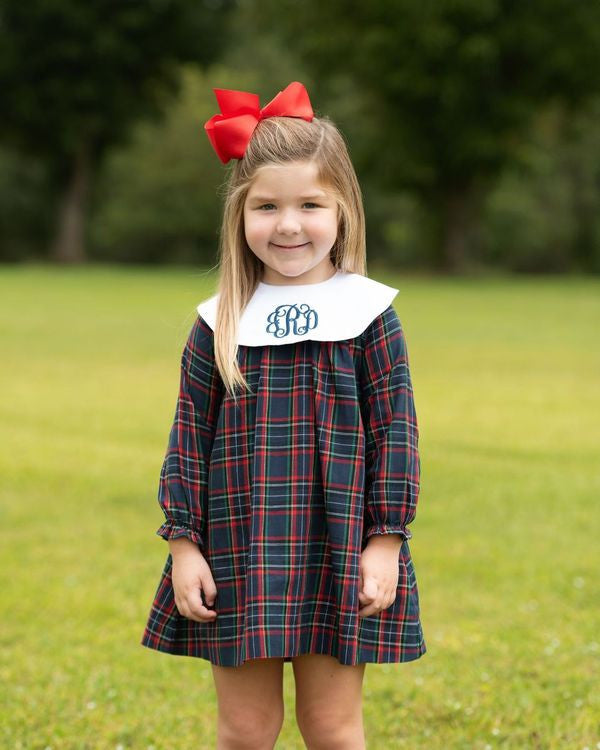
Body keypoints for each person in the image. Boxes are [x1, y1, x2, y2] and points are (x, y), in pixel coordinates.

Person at [141, 81, 426, 749]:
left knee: (330, 727)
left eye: (309, 204)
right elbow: (188, 436)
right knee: (245, 729)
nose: (289, 225)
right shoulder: (220, 324)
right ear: (240, 213)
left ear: (343, 209)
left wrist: (385, 540)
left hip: (338, 550)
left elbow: (397, 434)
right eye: (266, 206)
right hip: (238, 549)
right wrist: (185, 544)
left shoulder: (368, 317)